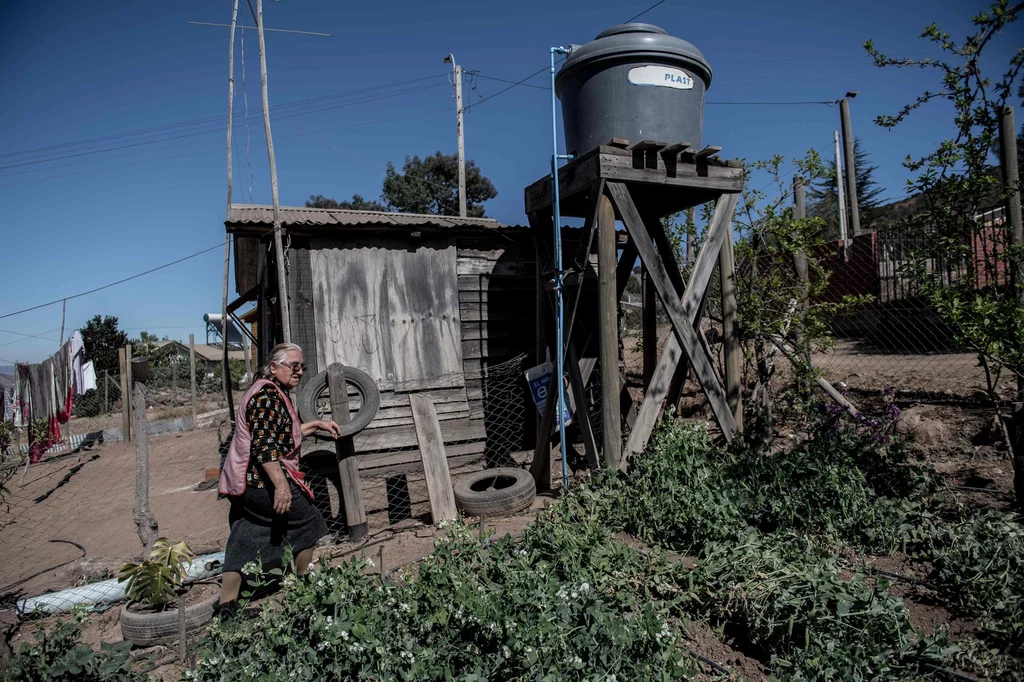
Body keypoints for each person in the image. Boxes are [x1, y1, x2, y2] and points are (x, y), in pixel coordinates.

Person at [217, 342, 341, 611]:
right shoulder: (267, 397)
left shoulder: (270, 392)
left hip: (246, 485)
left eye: (302, 367)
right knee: (309, 523)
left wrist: (316, 424)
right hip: (262, 482)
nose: (299, 371)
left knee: (245, 533)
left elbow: (282, 434)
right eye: (293, 366)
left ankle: (227, 606)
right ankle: (307, 589)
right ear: (274, 367)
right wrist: (282, 487)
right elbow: (265, 446)